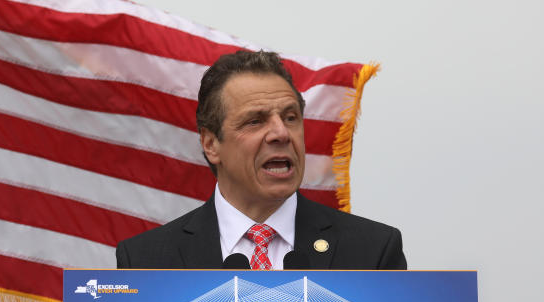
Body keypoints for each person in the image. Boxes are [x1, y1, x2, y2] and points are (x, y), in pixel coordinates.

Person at [115, 50, 406, 270]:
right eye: (255, 121)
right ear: (211, 143)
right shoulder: (145, 262)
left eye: (291, 118)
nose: (281, 133)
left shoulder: (372, 253)